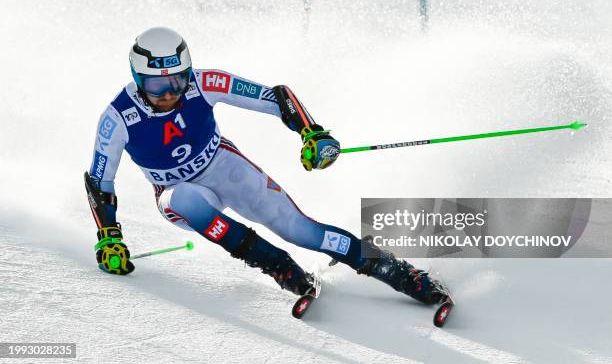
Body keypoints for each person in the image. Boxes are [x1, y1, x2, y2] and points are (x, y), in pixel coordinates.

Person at [85, 26, 445, 304]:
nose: (169, 94)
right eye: (157, 85)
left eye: (177, 80)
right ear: (137, 78)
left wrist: (311, 132)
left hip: (223, 167)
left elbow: (276, 98)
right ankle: (278, 265)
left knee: (301, 230)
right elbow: (99, 182)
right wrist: (109, 237)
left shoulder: (203, 82)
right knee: (187, 200)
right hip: (175, 193)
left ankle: (399, 273)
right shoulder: (117, 118)